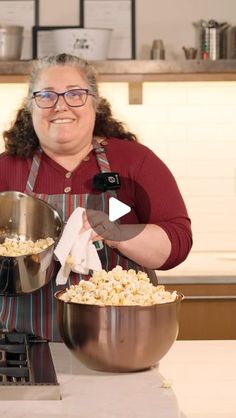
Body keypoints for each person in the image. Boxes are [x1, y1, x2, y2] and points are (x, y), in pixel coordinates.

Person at [0, 53, 192, 341]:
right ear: (31, 106)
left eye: (75, 94)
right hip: (20, 344)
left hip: (119, 342)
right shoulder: (6, 169)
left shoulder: (135, 162)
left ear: (95, 103)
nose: (60, 105)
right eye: (47, 95)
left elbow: (176, 244)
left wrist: (116, 232)